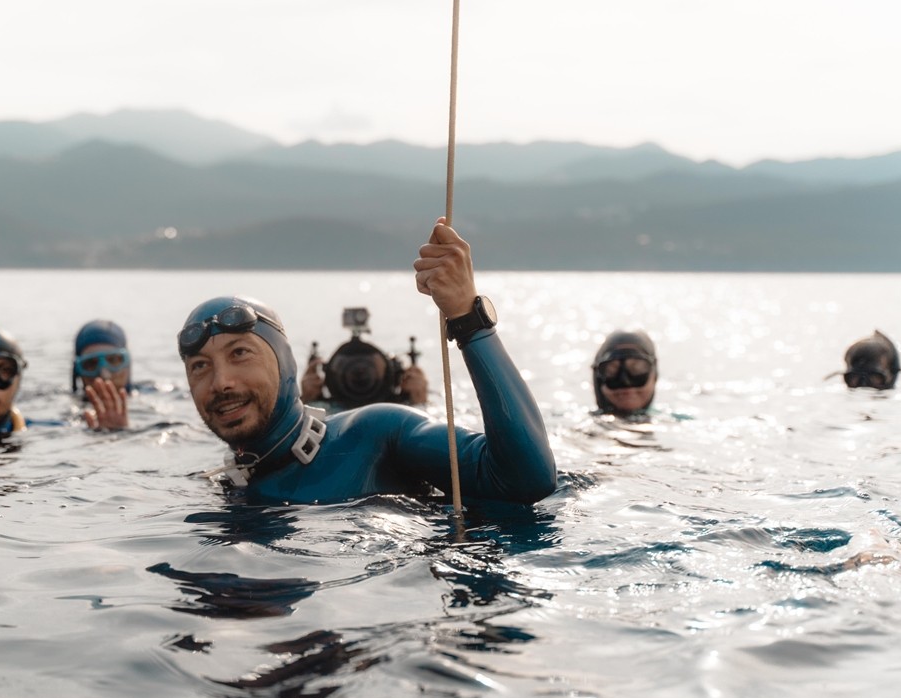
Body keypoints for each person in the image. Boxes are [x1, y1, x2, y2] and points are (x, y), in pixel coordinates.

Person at [176, 217, 556, 506]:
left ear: (286, 364)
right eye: (200, 367)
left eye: (240, 353)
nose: (221, 381)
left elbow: (525, 481)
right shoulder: (214, 486)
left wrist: (468, 320)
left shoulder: (378, 434)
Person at [301, 307, 429, 411]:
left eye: (368, 370)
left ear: (392, 376)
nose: (360, 376)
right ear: (331, 379)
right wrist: (307, 400)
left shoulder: (326, 415)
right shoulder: (402, 416)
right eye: (353, 373)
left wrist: (419, 400)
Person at [72, 319, 133, 430]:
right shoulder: (71, 414)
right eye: (91, 364)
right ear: (77, 372)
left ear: (128, 364)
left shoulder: (157, 396)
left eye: (114, 360)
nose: (104, 375)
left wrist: (120, 431)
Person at [591, 330, 657, 417]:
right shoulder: (588, 427)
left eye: (637, 369)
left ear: (654, 375)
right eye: (612, 371)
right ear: (598, 379)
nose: (626, 383)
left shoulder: (671, 423)